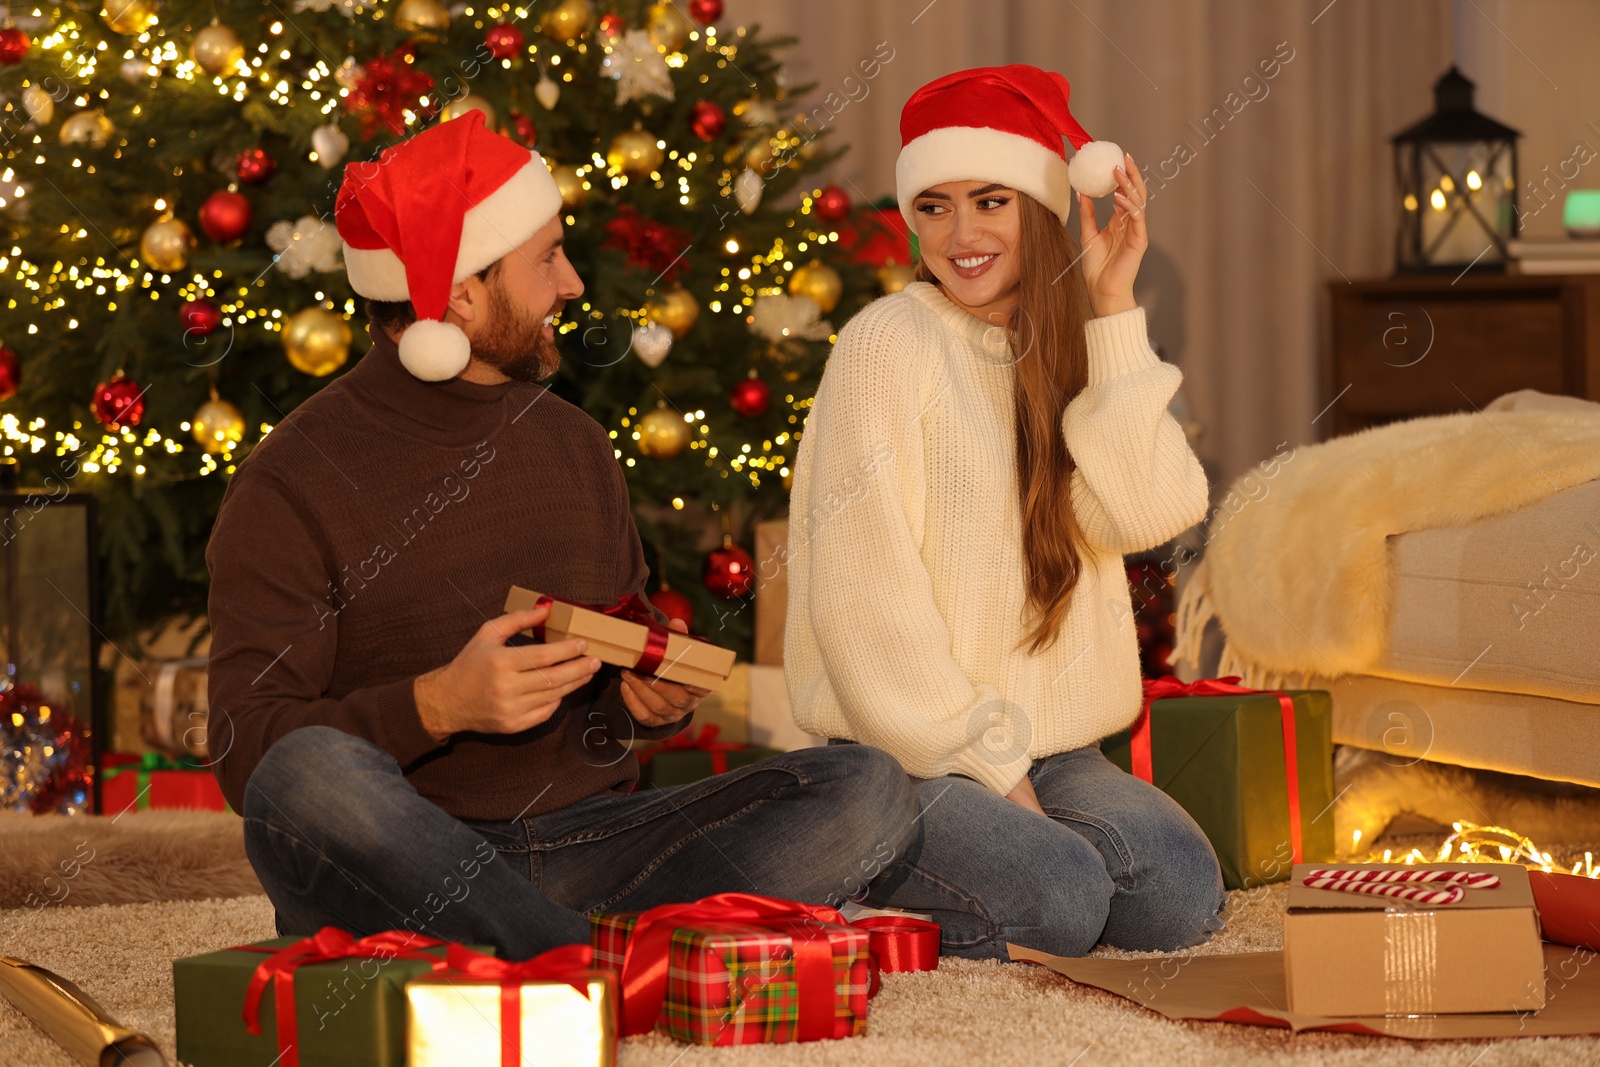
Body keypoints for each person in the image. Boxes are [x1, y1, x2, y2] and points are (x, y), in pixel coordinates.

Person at [205, 112, 918, 961]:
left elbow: (604, 723)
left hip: (596, 848)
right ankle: (589, 960)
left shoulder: (573, 443)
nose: (574, 283)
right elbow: (245, 752)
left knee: (865, 788)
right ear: (459, 292)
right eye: (545, 258)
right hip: (413, 859)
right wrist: (439, 705)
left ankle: (548, 952)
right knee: (305, 775)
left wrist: (636, 703)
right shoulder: (294, 477)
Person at [784, 65, 1226, 960]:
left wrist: (1111, 309)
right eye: (936, 206)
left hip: (1057, 748)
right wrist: (991, 767)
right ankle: (847, 873)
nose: (963, 233)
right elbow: (868, 600)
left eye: (990, 200)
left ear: (1040, 207)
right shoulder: (887, 343)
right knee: (1058, 900)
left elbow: (1149, 511)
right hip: (911, 745)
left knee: (1179, 895)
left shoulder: (1061, 351)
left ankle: (985, 867)